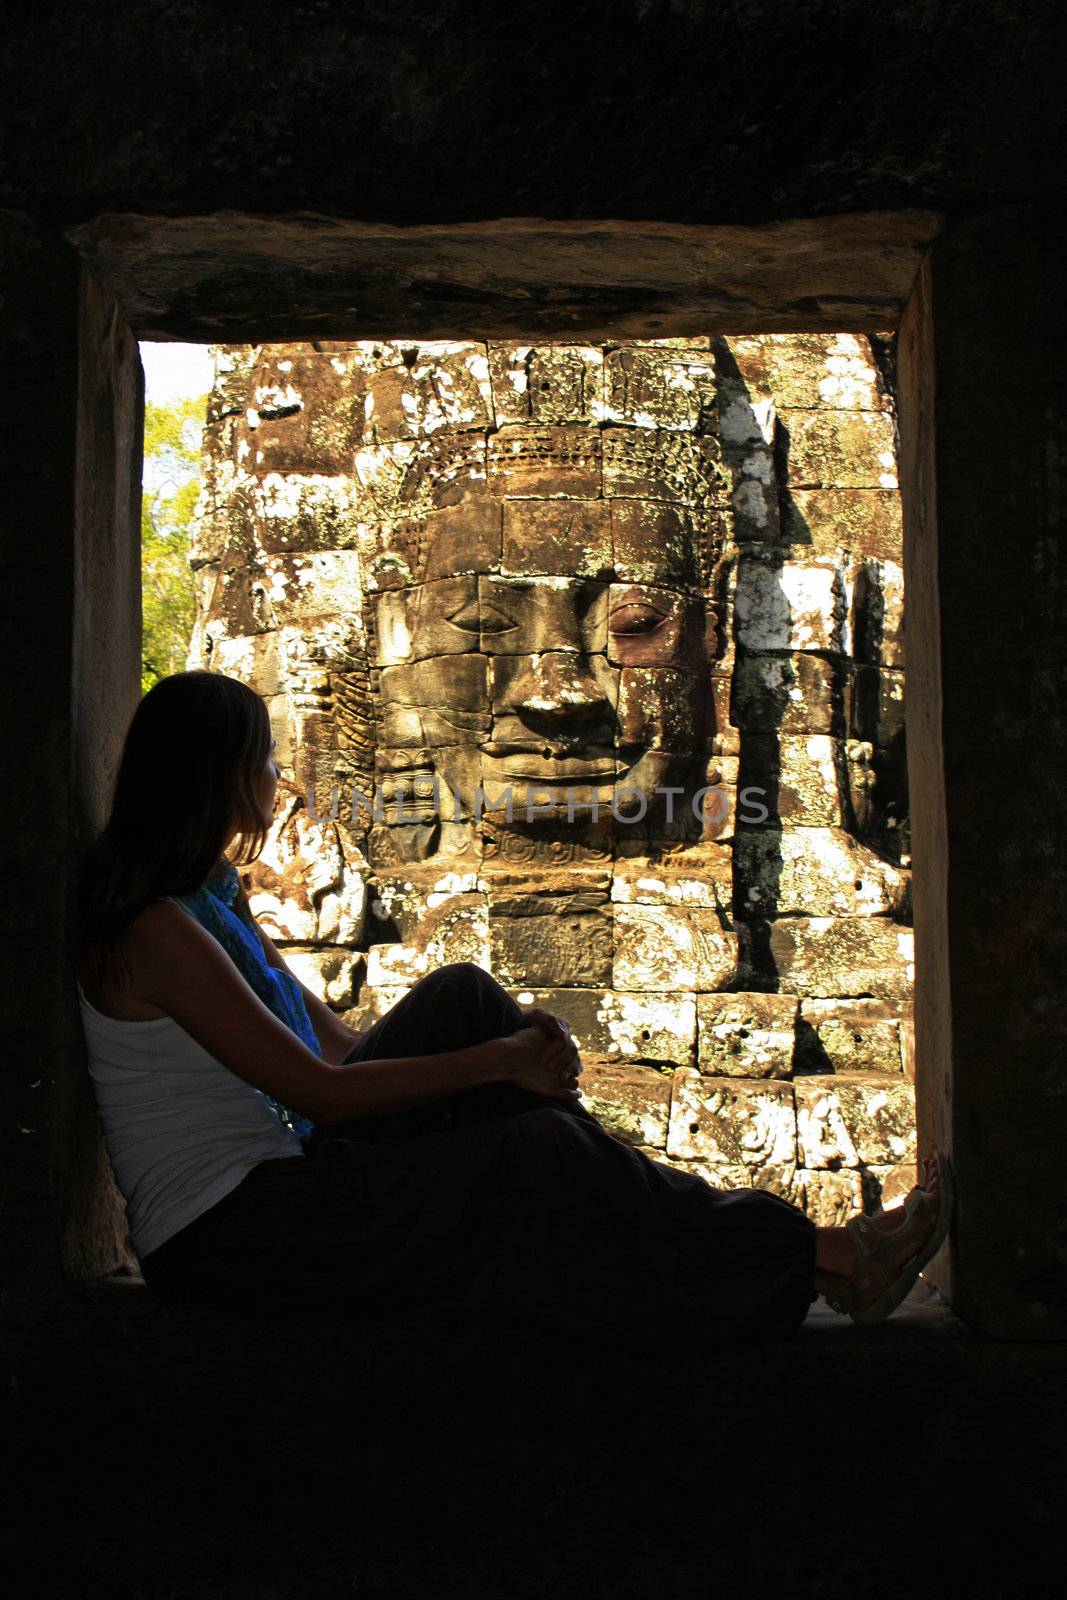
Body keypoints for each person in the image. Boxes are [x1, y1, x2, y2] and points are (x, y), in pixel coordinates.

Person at [75, 670, 950, 1347]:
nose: (278, 776)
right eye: (262, 758)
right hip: (230, 1234)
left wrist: (513, 1043)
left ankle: (746, 1229)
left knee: (466, 998)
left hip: (289, 1176)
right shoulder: (154, 929)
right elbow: (320, 1093)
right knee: (532, 1149)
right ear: (218, 775)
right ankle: (824, 1258)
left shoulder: (210, 896)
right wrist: (499, 1067)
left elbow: (337, 1047)